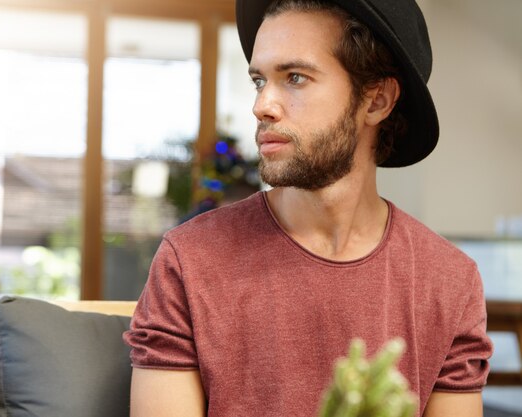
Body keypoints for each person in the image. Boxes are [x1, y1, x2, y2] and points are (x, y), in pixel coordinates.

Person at [123, 0, 493, 416]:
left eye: (295, 77)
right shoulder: (189, 260)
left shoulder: (449, 282)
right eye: (259, 80)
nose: (262, 105)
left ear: (377, 101)